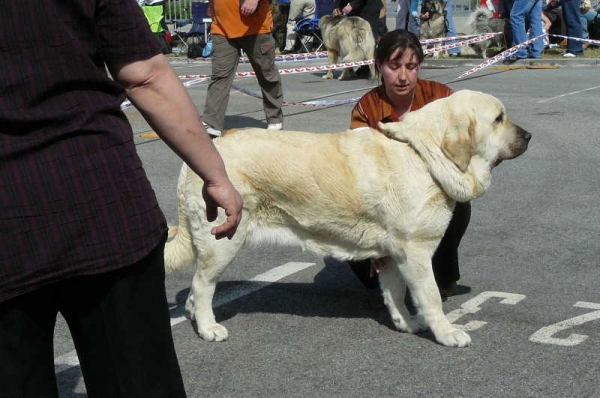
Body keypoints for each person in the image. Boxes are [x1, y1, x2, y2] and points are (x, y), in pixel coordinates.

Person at [0, 1, 243, 397]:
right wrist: (215, 174)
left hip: (14, 220)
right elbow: (145, 75)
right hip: (101, 199)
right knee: (137, 380)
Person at [346, 29, 471, 300]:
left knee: (459, 200)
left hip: (429, 193)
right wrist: (375, 243)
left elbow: (462, 151)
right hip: (382, 201)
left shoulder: (442, 97)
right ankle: (382, 263)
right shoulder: (366, 109)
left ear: (420, 67)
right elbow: (358, 176)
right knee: (343, 220)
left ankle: (442, 273)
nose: (403, 76)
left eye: (411, 67)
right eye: (394, 66)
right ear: (379, 66)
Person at [202, 0, 284, 137]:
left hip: (256, 27)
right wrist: (213, 11)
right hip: (221, 28)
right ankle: (211, 123)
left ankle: (274, 118)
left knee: (267, 74)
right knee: (219, 76)